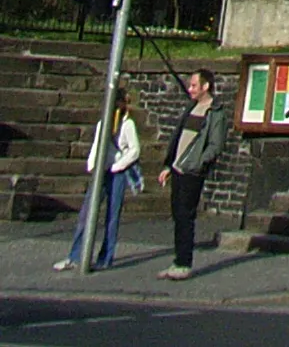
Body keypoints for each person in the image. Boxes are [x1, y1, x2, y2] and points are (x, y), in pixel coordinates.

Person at [52, 85, 140, 270]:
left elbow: (134, 150)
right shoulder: (104, 122)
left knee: (111, 215)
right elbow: (97, 144)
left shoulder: (127, 124)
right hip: (102, 170)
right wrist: (92, 164)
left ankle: (105, 257)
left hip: (117, 171)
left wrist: (118, 166)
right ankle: (75, 256)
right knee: (86, 213)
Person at [156, 68, 226, 278]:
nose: (190, 89)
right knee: (178, 216)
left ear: (206, 86)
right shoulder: (191, 108)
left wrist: (198, 163)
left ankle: (184, 263)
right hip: (179, 169)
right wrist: (170, 165)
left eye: (194, 85)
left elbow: (215, 144)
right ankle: (178, 260)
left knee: (186, 216)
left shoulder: (215, 112)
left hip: (192, 172)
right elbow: (180, 139)